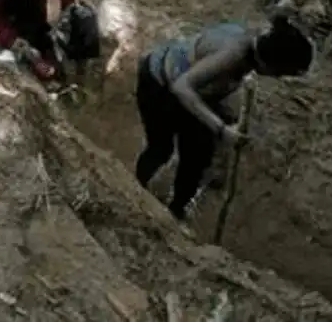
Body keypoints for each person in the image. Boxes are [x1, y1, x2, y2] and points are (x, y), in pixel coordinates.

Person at [134, 14, 314, 220]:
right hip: (159, 84)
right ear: (269, 65)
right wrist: (220, 128)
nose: (278, 78)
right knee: (160, 149)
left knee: (197, 156)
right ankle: (134, 191)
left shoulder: (257, 41)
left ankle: (176, 211)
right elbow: (182, 87)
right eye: (280, 73)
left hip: (196, 93)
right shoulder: (233, 54)